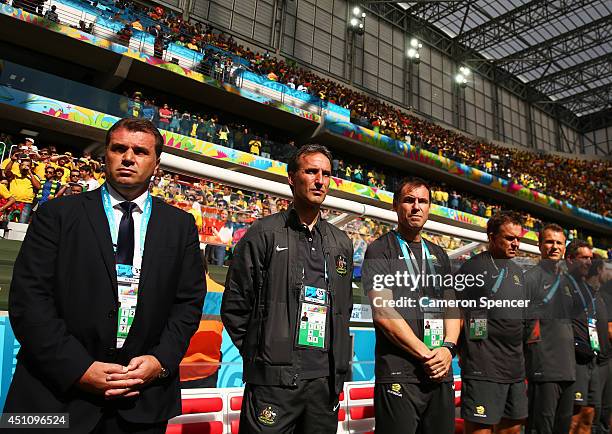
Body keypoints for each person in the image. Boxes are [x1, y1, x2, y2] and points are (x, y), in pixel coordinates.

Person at [3, 118, 207, 434]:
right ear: (105, 155)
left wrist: (160, 361)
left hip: (142, 402)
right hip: (54, 401)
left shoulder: (180, 227)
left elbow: (188, 304)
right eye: (119, 148)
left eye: (140, 151)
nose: (128, 157)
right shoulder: (56, 215)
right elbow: (29, 301)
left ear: (156, 163)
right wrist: (78, 369)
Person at [222, 144, 353, 433]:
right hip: (273, 382)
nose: (320, 180)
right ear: (292, 177)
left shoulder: (341, 242)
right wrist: (265, 353)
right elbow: (235, 305)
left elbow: (344, 309)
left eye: (326, 174)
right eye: (311, 171)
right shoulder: (264, 232)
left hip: (325, 383)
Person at [362, 177, 459, 434]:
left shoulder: (439, 254)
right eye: (409, 200)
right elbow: (383, 311)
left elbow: (452, 307)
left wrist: (448, 349)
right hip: (400, 374)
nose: (416, 207)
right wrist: (428, 355)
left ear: (429, 208)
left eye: (423, 201)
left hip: (440, 372)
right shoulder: (380, 249)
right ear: (396, 206)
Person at [457, 211, 529, 434]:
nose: (515, 243)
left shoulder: (519, 273)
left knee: (513, 430)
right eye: (509, 238)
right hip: (483, 367)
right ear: (491, 237)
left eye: (518, 238)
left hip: (515, 369)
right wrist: (458, 351)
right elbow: (455, 314)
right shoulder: (472, 268)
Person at [524, 223, 575, 433]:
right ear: (539, 245)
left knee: (562, 428)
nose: (554, 247)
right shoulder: (530, 279)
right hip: (544, 370)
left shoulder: (568, 282)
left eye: (559, 243)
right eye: (549, 242)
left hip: (568, 370)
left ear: (564, 248)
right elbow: (523, 325)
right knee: (541, 429)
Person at [566, 240, 606, 434]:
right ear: (571, 259)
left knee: (589, 415)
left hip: (593, 359)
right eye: (584, 258)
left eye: (591, 258)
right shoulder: (564, 286)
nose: (589, 262)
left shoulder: (589, 291)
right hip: (575, 361)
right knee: (573, 419)